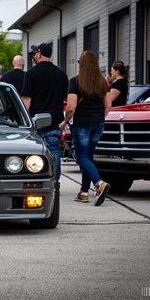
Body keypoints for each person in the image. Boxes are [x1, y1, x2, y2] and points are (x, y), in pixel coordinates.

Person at [58, 50, 112, 206]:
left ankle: (99, 183)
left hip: (82, 124)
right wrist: (99, 118)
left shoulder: (75, 81)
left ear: (81, 65)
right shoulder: (103, 82)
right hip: (98, 124)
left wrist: (65, 122)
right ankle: (83, 192)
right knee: (88, 156)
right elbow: (108, 106)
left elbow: (71, 108)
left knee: (81, 157)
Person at [21, 43, 68, 195]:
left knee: (35, 156)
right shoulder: (61, 74)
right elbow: (66, 99)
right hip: (55, 121)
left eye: (34, 53)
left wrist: (22, 121)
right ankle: (55, 184)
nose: (33, 56)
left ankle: (37, 185)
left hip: (36, 123)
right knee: (55, 153)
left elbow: (26, 101)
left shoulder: (31, 74)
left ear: (39, 54)